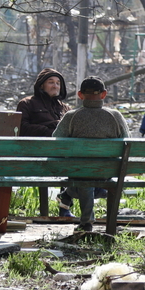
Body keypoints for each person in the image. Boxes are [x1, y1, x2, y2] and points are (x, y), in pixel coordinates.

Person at [52, 76, 131, 232]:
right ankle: (88, 213)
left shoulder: (71, 116)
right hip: (106, 173)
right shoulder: (115, 116)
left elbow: (56, 143)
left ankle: (85, 220)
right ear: (104, 94)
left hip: (78, 173)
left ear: (80, 95)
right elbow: (127, 143)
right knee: (89, 177)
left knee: (84, 176)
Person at [16, 68, 77, 217]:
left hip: (62, 155)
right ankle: (57, 207)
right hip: (36, 153)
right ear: (41, 85)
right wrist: (49, 130)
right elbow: (22, 128)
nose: (55, 86)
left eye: (58, 83)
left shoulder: (65, 108)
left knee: (74, 161)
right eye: (51, 82)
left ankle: (65, 206)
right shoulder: (27, 103)